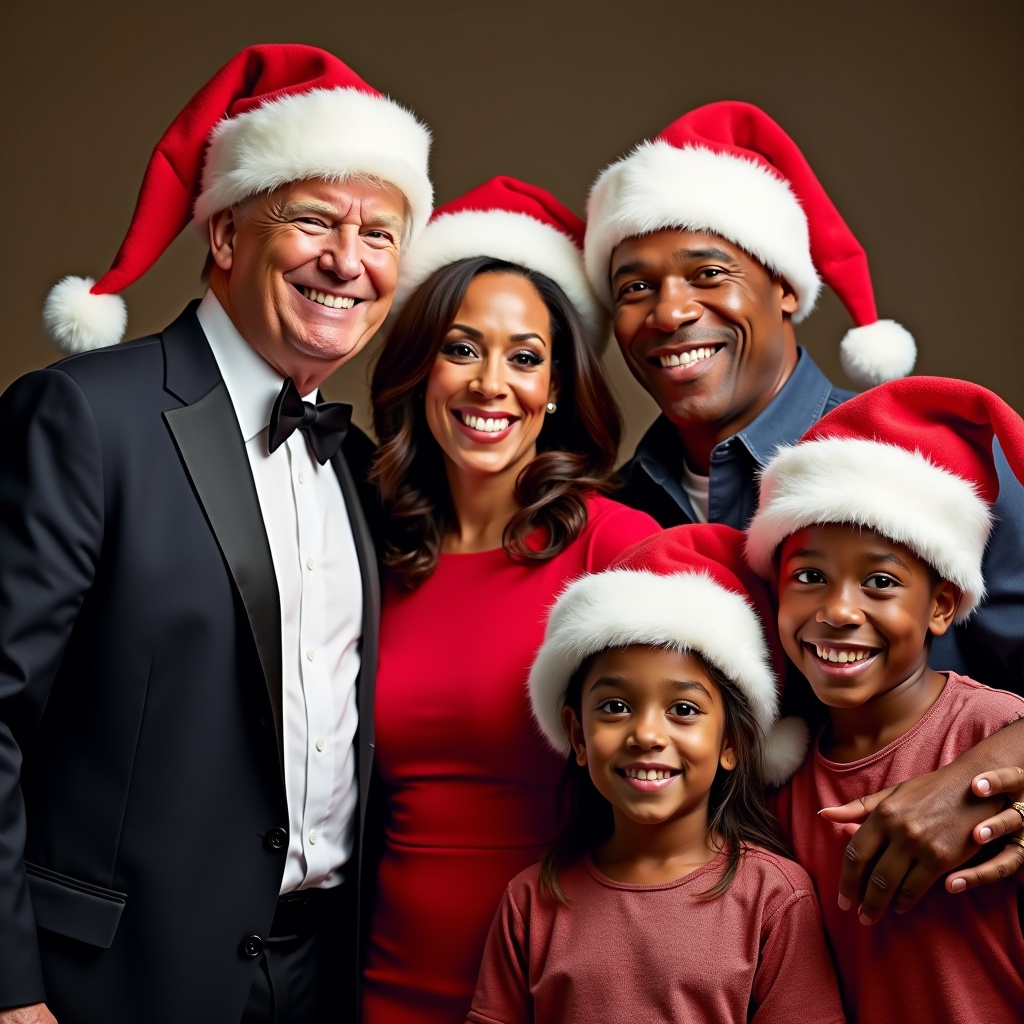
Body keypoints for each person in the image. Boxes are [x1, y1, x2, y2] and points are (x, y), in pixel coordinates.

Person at [0, 44, 432, 1024]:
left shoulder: (358, 465)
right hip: (108, 980)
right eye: (315, 219)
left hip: (322, 975)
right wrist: (8, 986)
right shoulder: (82, 417)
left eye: (380, 234)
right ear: (228, 233)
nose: (347, 261)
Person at [582, 99, 1024, 914]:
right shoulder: (616, 510)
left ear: (785, 287)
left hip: (930, 925)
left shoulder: (924, 466)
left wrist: (975, 781)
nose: (671, 312)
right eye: (635, 288)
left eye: (708, 273)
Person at [360, 177, 661, 1024]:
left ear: (557, 387)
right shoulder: (373, 550)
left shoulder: (619, 547)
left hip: (571, 976)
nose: (491, 383)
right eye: (461, 349)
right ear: (421, 367)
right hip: (386, 976)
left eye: (525, 357)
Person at [468, 524, 843, 1024]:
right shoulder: (530, 902)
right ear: (577, 736)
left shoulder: (773, 898)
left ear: (732, 742)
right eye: (616, 706)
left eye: (684, 708)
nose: (646, 734)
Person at [746, 376, 1024, 1022]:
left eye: (879, 581)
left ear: (942, 605)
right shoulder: (782, 786)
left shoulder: (997, 736)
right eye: (810, 577)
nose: (839, 611)